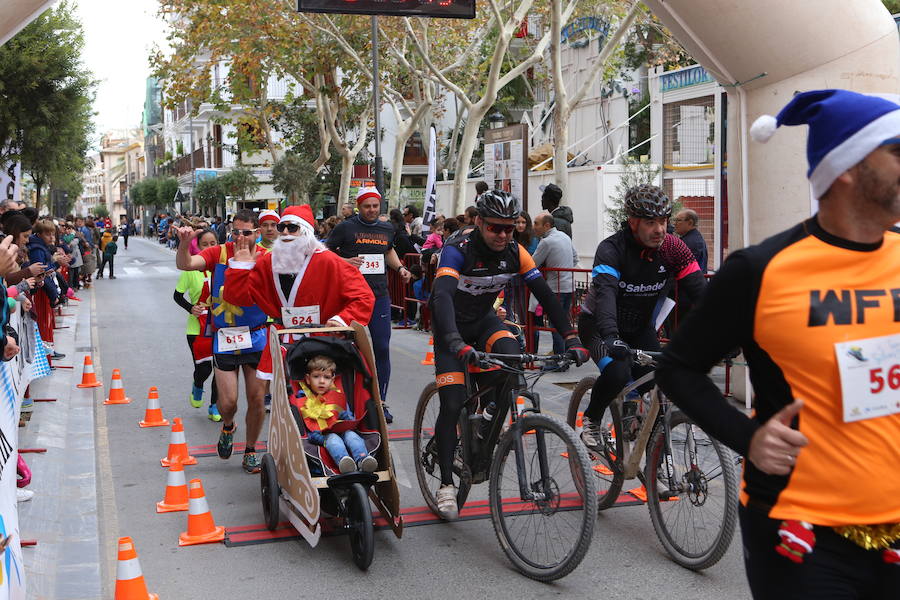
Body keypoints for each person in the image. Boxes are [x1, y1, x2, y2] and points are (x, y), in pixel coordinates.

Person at [656, 89, 900, 599]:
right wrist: (749, 439)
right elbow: (678, 368)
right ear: (848, 166)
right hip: (802, 529)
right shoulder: (761, 269)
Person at [428, 189, 589, 519]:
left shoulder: (516, 252)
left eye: (509, 228)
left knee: (511, 356)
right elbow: (441, 297)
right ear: (480, 223)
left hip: (484, 322)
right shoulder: (458, 249)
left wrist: (572, 337)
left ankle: (488, 421)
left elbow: (544, 293)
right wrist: (455, 342)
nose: (502, 235)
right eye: (495, 228)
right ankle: (446, 484)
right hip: (451, 328)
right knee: (453, 401)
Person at [577, 184, 706, 447]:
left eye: (663, 220)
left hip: (640, 328)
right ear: (633, 222)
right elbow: (606, 295)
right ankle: (591, 419)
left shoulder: (673, 248)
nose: (659, 229)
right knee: (617, 372)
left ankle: (653, 460)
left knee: (662, 385)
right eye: (650, 222)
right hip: (600, 326)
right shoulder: (612, 249)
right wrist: (612, 336)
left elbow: (701, 292)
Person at [223, 205, 374, 385]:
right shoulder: (267, 263)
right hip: (283, 342)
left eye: (292, 227)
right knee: (285, 404)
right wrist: (240, 268)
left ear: (306, 232)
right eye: (282, 227)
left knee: (319, 407)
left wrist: (342, 319)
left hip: (322, 343)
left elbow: (364, 297)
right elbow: (238, 298)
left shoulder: (329, 261)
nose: (285, 232)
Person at [175, 209, 269, 474]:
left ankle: (250, 450)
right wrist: (184, 243)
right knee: (228, 403)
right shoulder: (220, 253)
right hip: (225, 337)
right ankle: (228, 426)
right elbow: (185, 264)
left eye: (246, 232)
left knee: (257, 399)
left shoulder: (265, 257)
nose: (240, 237)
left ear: (257, 233)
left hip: (257, 335)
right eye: (235, 231)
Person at [326, 188, 411, 423]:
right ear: (358, 207)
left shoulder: (386, 228)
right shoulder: (346, 227)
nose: (371, 210)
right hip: (351, 298)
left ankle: (380, 402)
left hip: (379, 296)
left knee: (382, 348)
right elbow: (325, 252)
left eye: (375, 206)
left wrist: (400, 268)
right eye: (367, 206)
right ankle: (349, 403)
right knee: (350, 350)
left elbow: (389, 250)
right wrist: (345, 261)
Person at [297, 355, 378, 474]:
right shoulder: (302, 397)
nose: (321, 381)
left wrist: (347, 418)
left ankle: (363, 459)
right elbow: (308, 430)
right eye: (316, 377)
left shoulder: (338, 395)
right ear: (308, 379)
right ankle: (344, 463)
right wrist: (318, 437)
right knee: (334, 439)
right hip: (323, 436)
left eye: (326, 377)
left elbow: (351, 420)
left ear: (332, 380)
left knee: (352, 436)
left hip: (343, 429)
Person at [174, 229, 220, 421]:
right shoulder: (191, 269)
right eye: (204, 244)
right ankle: (198, 383)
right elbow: (177, 296)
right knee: (204, 369)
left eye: (213, 244)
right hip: (196, 328)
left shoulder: (224, 268)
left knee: (220, 369)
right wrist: (191, 308)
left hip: (220, 326)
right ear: (197, 247)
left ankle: (215, 406)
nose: (209, 248)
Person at [529, 213, 579, 370]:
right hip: (569, 286)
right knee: (563, 322)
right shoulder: (564, 236)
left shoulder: (547, 242)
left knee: (555, 324)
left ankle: (559, 361)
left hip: (555, 288)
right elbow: (576, 258)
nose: (533, 227)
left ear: (547, 226)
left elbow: (531, 264)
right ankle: (563, 358)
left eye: (536, 223)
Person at [673, 208, 708, 273]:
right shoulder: (695, 237)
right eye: (675, 220)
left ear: (690, 223)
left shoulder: (690, 242)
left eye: (678, 220)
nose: (675, 223)